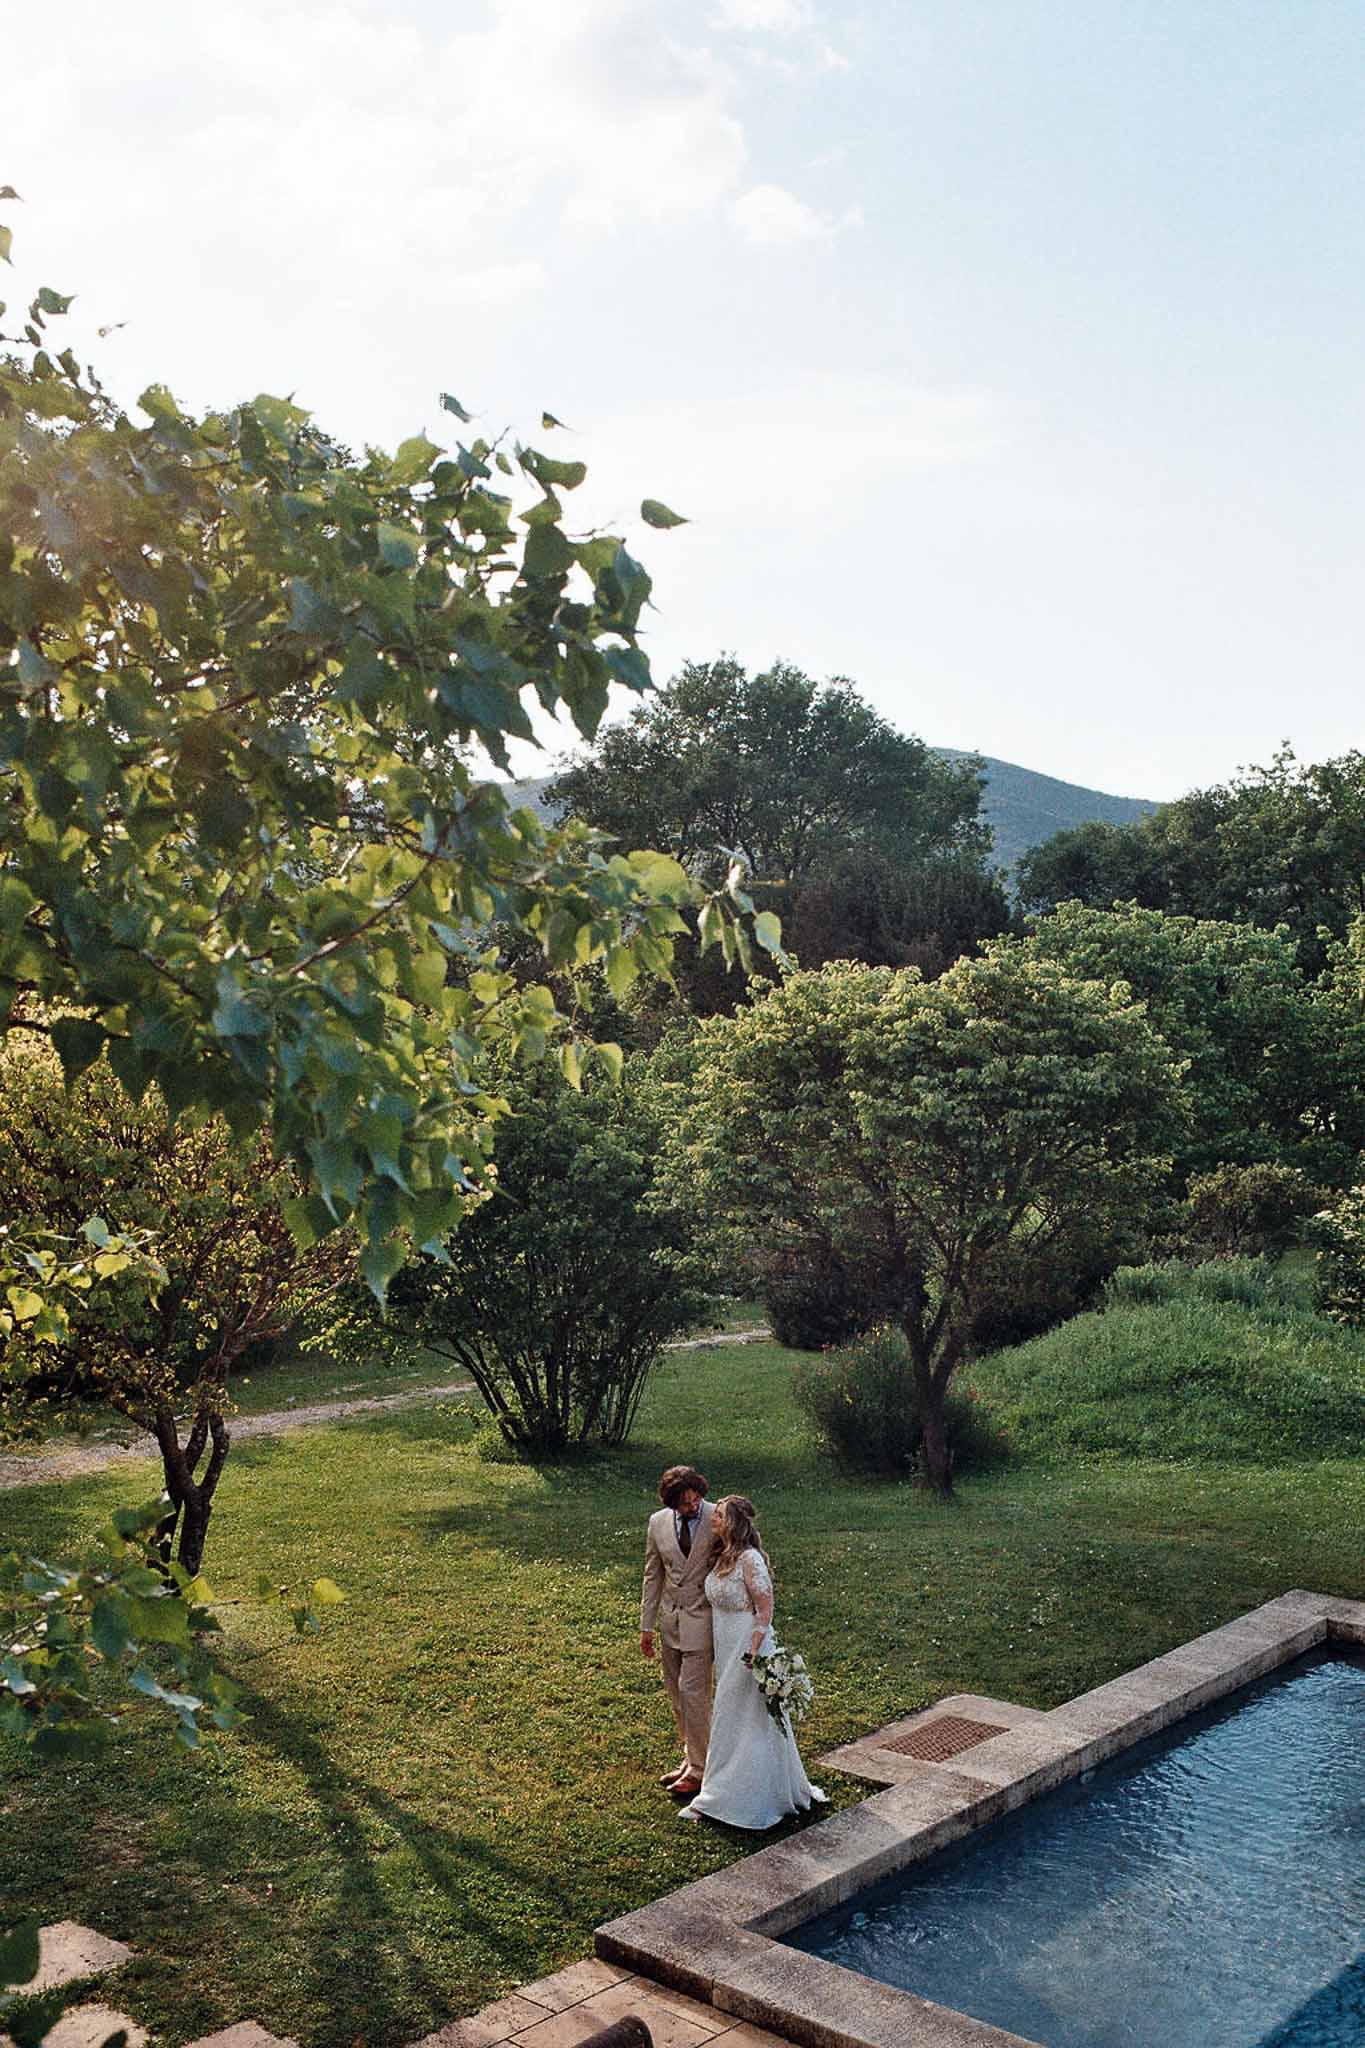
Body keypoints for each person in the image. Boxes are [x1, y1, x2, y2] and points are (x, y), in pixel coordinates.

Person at [679, 1494, 826, 1830]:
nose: (712, 1518)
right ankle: (721, 1788)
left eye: (718, 1514)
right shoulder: (722, 1556)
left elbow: (765, 1609)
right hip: (726, 1644)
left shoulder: (750, 1559)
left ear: (733, 1521)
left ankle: (742, 1797)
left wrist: (755, 1651)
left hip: (749, 1648)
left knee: (746, 1717)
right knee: (729, 1715)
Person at [640, 1463, 716, 1801]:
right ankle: (691, 1757)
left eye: (696, 1498)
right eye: (685, 1502)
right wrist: (646, 1625)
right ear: (672, 1502)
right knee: (676, 1695)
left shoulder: (718, 1517)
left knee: (693, 1694)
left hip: (703, 1621)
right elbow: (652, 1576)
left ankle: (701, 1771)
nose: (693, 1506)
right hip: (670, 1623)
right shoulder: (657, 1523)